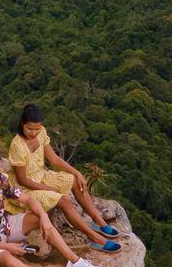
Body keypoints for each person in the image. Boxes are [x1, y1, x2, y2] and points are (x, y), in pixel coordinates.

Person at [7, 104, 122, 252]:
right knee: (63, 200)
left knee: (74, 181)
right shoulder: (17, 145)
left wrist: (77, 173)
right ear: (22, 124)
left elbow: (54, 159)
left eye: (37, 128)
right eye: (30, 129)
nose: (34, 133)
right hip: (25, 188)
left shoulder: (41, 133)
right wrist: (48, 189)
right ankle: (95, 238)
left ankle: (98, 221)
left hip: (41, 176)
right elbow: (22, 180)